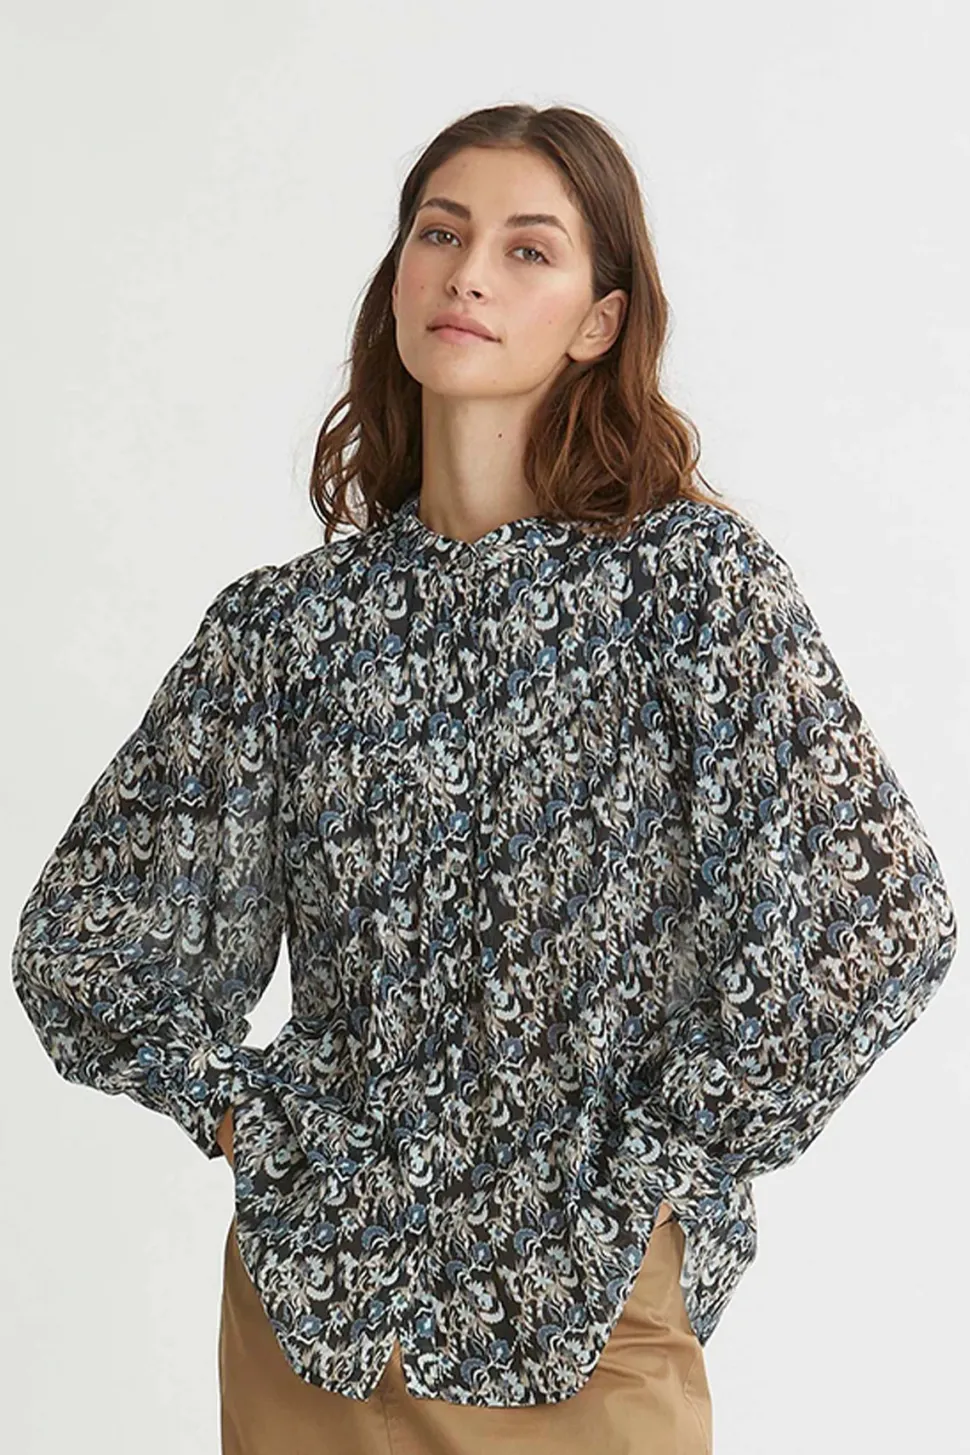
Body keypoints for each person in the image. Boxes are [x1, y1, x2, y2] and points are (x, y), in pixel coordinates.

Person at [11, 102, 958, 1455]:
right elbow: (90, 944)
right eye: (440, 234)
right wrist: (257, 1120)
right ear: (398, 274)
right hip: (316, 1325)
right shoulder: (289, 631)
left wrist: (664, 1168)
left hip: (587, 1320)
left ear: (598, 322)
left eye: (528, 249)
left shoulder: (692, 593)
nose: (467, 274)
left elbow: (877, 921)